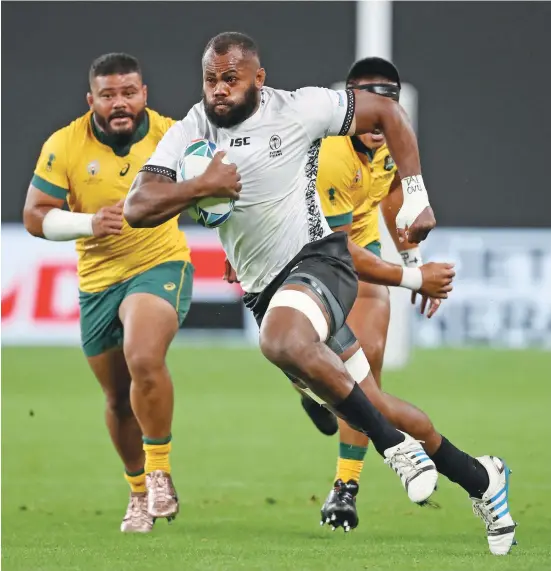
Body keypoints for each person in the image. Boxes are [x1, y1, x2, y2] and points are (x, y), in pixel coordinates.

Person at [124, 33, 516, 554]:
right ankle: (483, 479)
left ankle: (392, 449)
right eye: (210, 79)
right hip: (266, 290)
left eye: (230, 79)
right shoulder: (191, 131)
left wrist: (416, 199)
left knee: (279, 341)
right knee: (370, 399)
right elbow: (137, 206)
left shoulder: (300, 109)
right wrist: (199, 187)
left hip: (319, 261)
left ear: (258, 79)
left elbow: (388, 114)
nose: (218, 91)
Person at [23, 53, 192, 533]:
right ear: (91, 99)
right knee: (118, 398)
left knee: (143, 355)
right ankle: (138, 492)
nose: (120, 103)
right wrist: (89, 224)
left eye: (129, 92)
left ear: (144, 94)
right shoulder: (65, 145)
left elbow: (216, 191)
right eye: (108, 95)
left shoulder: (172, 135)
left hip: (158, 263)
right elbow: (36, 214)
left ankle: (160, 470)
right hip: (97, 280)